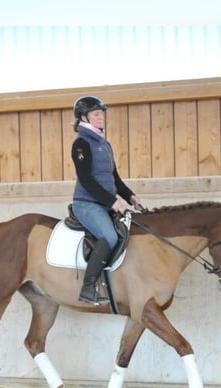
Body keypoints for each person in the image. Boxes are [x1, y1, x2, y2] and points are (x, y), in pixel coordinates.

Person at [70, 95, 144, 305]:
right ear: (84, 117)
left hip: (105, 203)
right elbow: (86, 180)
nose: (101, 117)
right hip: (86, 204)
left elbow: (114, 178)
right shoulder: (81, 144)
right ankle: (88, 287)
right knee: (110, 238)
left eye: (102, 113)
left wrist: (130, 196)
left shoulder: (104, 144)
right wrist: (113, 202)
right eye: (96, 114)